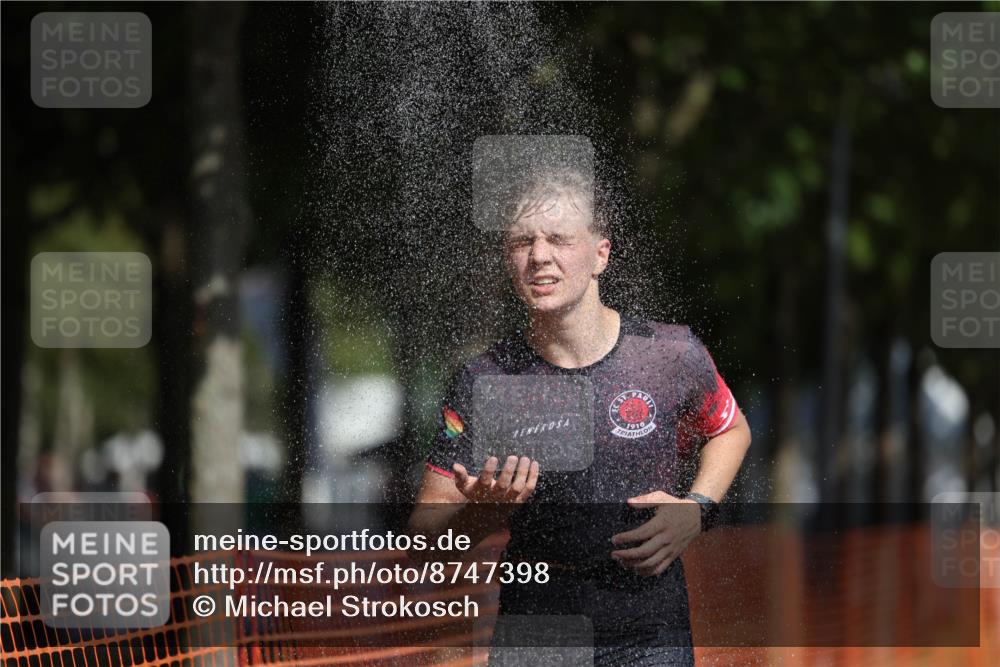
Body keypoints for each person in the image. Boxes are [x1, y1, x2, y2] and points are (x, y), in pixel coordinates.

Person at [408, 163, 752, 666]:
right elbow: (425, 539)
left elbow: (731, 429)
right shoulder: (486, 381)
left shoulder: (668, 355)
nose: (539, 256)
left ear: (600, 253)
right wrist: (486, 509)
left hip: (650, 634)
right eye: (522, 242)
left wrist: (697, 508)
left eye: (558, 239)